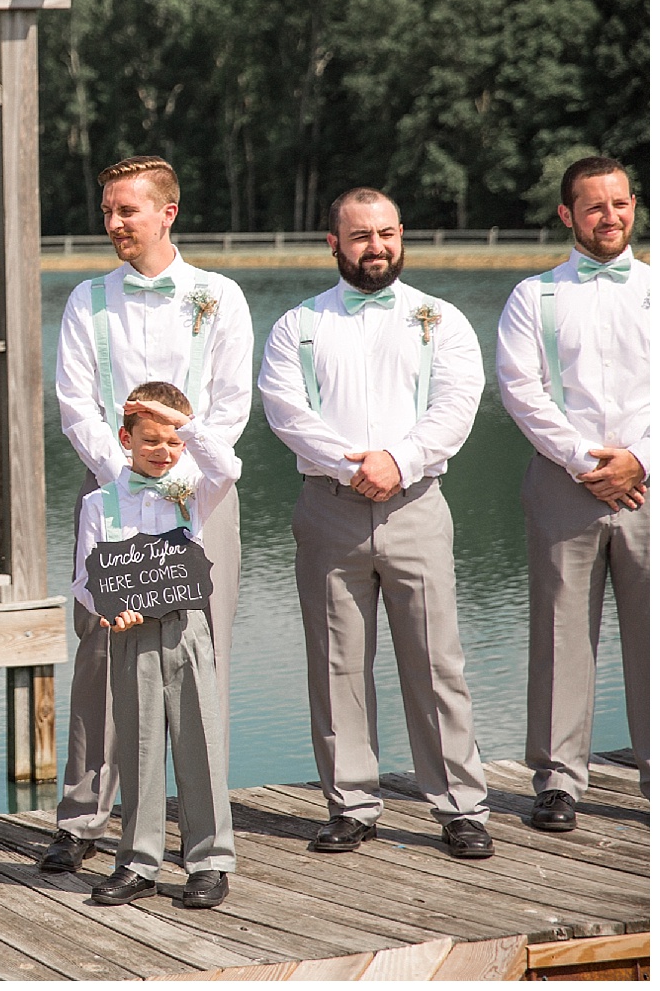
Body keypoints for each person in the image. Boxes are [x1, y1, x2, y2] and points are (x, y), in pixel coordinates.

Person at [257, 187, 494, 860]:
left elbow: (456, 405)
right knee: (337, 665)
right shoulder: (296, 325)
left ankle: (460, 806)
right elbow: (285, 410)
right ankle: (351, 804)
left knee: (436, 660)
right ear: (333, 243)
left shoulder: (439, 319)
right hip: (328, 509)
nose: (377, 246)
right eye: (361, 236)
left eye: (388, 233)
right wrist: (352, 464)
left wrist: (400, 459)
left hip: (417, 504)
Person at [43, 155, 253, 876]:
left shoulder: (219, 296)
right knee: (101, 650)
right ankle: (83, 818)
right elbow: (75, 403)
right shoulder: (87, 301)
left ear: (168, 212)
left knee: (200, 656)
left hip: (200, 498)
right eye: (107, 211)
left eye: (126, 210)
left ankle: (202, 832)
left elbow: (230, 404)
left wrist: (179, 479)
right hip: (111, 494)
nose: (113, 223)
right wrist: (127, 473)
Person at [496, 155, 649, 823]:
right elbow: (520, 390)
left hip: (651, 483)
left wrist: (639, 460)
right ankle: (558, 779)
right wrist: (589, 461)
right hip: (566, 480)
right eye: (594, 206)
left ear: (634, 205)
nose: (609, 216)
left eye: (620, 203)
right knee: (562, 634)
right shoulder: (535, 296)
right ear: (567, 215)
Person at [74, 382, 238, 909]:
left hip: (187, 629)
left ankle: (208, 862)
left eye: (172, 441)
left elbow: (228, 468)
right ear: (126, 439)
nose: (162, 451)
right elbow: (84, 575)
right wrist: (106, 609)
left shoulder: (194, 489)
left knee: (200, 746)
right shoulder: (99, 502)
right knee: (140, 750)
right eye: (150, 440)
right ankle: (139, 862)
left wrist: (180, 420)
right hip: (130, 636)